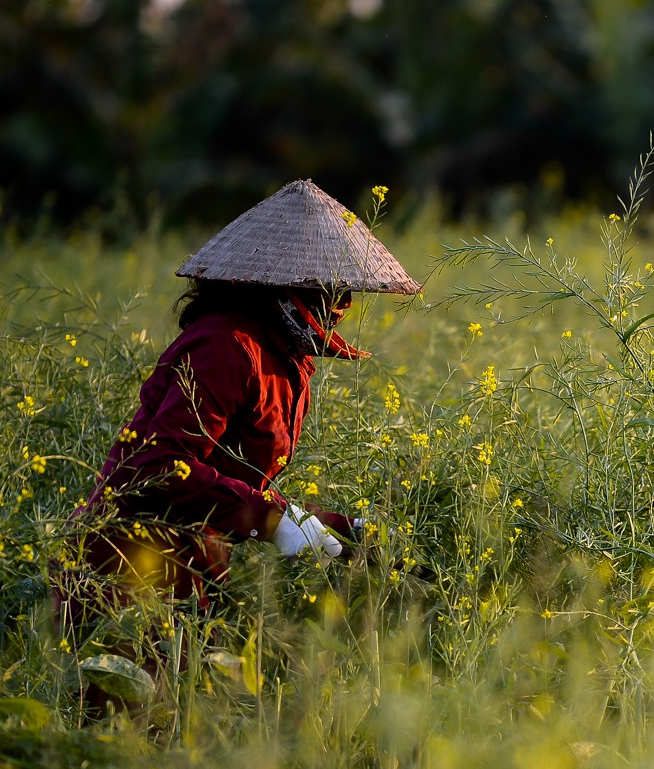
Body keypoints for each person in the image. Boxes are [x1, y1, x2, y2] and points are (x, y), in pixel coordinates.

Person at [57, 179, 420, 629]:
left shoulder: (284, 356)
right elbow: (157, 467)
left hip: (187, 569)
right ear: (282, 283)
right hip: (124, 568)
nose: (341, 304)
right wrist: (271, 519)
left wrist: (343, 528)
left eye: (345, 290)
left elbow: (231, 479)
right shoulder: (225, 345)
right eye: (326, 288)